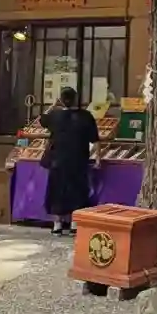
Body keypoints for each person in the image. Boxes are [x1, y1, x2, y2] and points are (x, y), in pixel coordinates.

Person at [42, 87, 99, 234]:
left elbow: (42, 120)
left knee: (57, 191)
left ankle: (57, 224)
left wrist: (53, 105)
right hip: (78, 159)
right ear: (76, 99)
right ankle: (75, 223)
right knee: (78, 190)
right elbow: (95, 140)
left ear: (61, 100)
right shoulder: (86, 116)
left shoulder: (55, 116)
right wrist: (98, 158)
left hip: (58, 160)